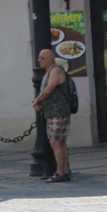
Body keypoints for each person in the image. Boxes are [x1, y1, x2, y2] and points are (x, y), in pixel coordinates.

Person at [33, 50, 73, 182]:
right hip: (52, 112)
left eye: (42, 58)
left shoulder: (56, 70)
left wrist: (37, 100)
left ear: (51, 58)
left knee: (56, 142)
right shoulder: (48, 72)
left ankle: (60, 172)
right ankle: (65, 170)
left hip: (59, 112)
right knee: (60, 142)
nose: (40, 60)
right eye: (39, 58)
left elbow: (49, 89)